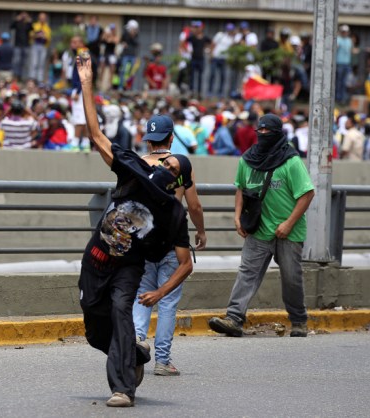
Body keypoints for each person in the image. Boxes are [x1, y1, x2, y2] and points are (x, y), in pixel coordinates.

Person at [76, 53, 193, 408]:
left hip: (129, 270)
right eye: (163, 159)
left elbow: (186, 264)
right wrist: (86, 83)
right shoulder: (132, 170)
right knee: (96, 330)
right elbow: (96, 135)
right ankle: (135, 357)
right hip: (96, 261)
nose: (163, 164)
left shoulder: (173, 212)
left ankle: (123, 388)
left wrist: (159, 293)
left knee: (121, 314)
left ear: (178, 179)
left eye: (171, 165)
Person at [208, 113, 315, 338]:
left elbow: (307, 194)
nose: (263, 135)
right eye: (261, 131)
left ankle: (298, 320)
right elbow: (241, 189)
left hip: (288, 232)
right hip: (259, 228)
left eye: (268, 132)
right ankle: (234, 318)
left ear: (278, 134)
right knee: (247, 273)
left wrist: (288, 223)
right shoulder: (247, 160)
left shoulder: (291, 161)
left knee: (291, 278)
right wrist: (237, 217)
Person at [132, 114, 206, 377]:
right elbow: (194, 205)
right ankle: (163, 361)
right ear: (172, 137)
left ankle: (138, 340)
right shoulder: (179, 165)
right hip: (175, 242)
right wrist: (201, 231)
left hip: (144, 238)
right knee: (168, 302)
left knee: (142, 294)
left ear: (148, 140)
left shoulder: (138, 164)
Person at [10, 11, 32, 82]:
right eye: (22, 15)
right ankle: (16, 76)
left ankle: (23, 77)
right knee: (16, 61)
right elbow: (11, 26)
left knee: (25, 62)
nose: (23, 16)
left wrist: (29, 21)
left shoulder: (27, 24)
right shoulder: (17, 22)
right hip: (18, 45)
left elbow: (32, 29)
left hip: (26, 45)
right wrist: (16, 20)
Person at [30, 12, 51, 83]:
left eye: (44, 17)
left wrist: (44, 36)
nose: (42, 19)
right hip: (35, 45)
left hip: (43, 46)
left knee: (41, 63)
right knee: (34, 62)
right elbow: (31, 35)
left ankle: (40, 80)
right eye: (41, 17)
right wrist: (37, 35)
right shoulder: (35, 25)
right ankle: (33, 78)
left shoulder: (47, 27)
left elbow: (49, 38)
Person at [335, 25, 353, 105]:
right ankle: (338, 98)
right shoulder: (338, 39)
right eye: (343, 31)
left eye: (345, 31)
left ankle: (343, 99)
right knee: (338, 81)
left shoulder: (349, 40)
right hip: (339, 63)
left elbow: (351, 50)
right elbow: (336, 47)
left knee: (345, 82)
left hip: (347, 63)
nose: (344, 33)